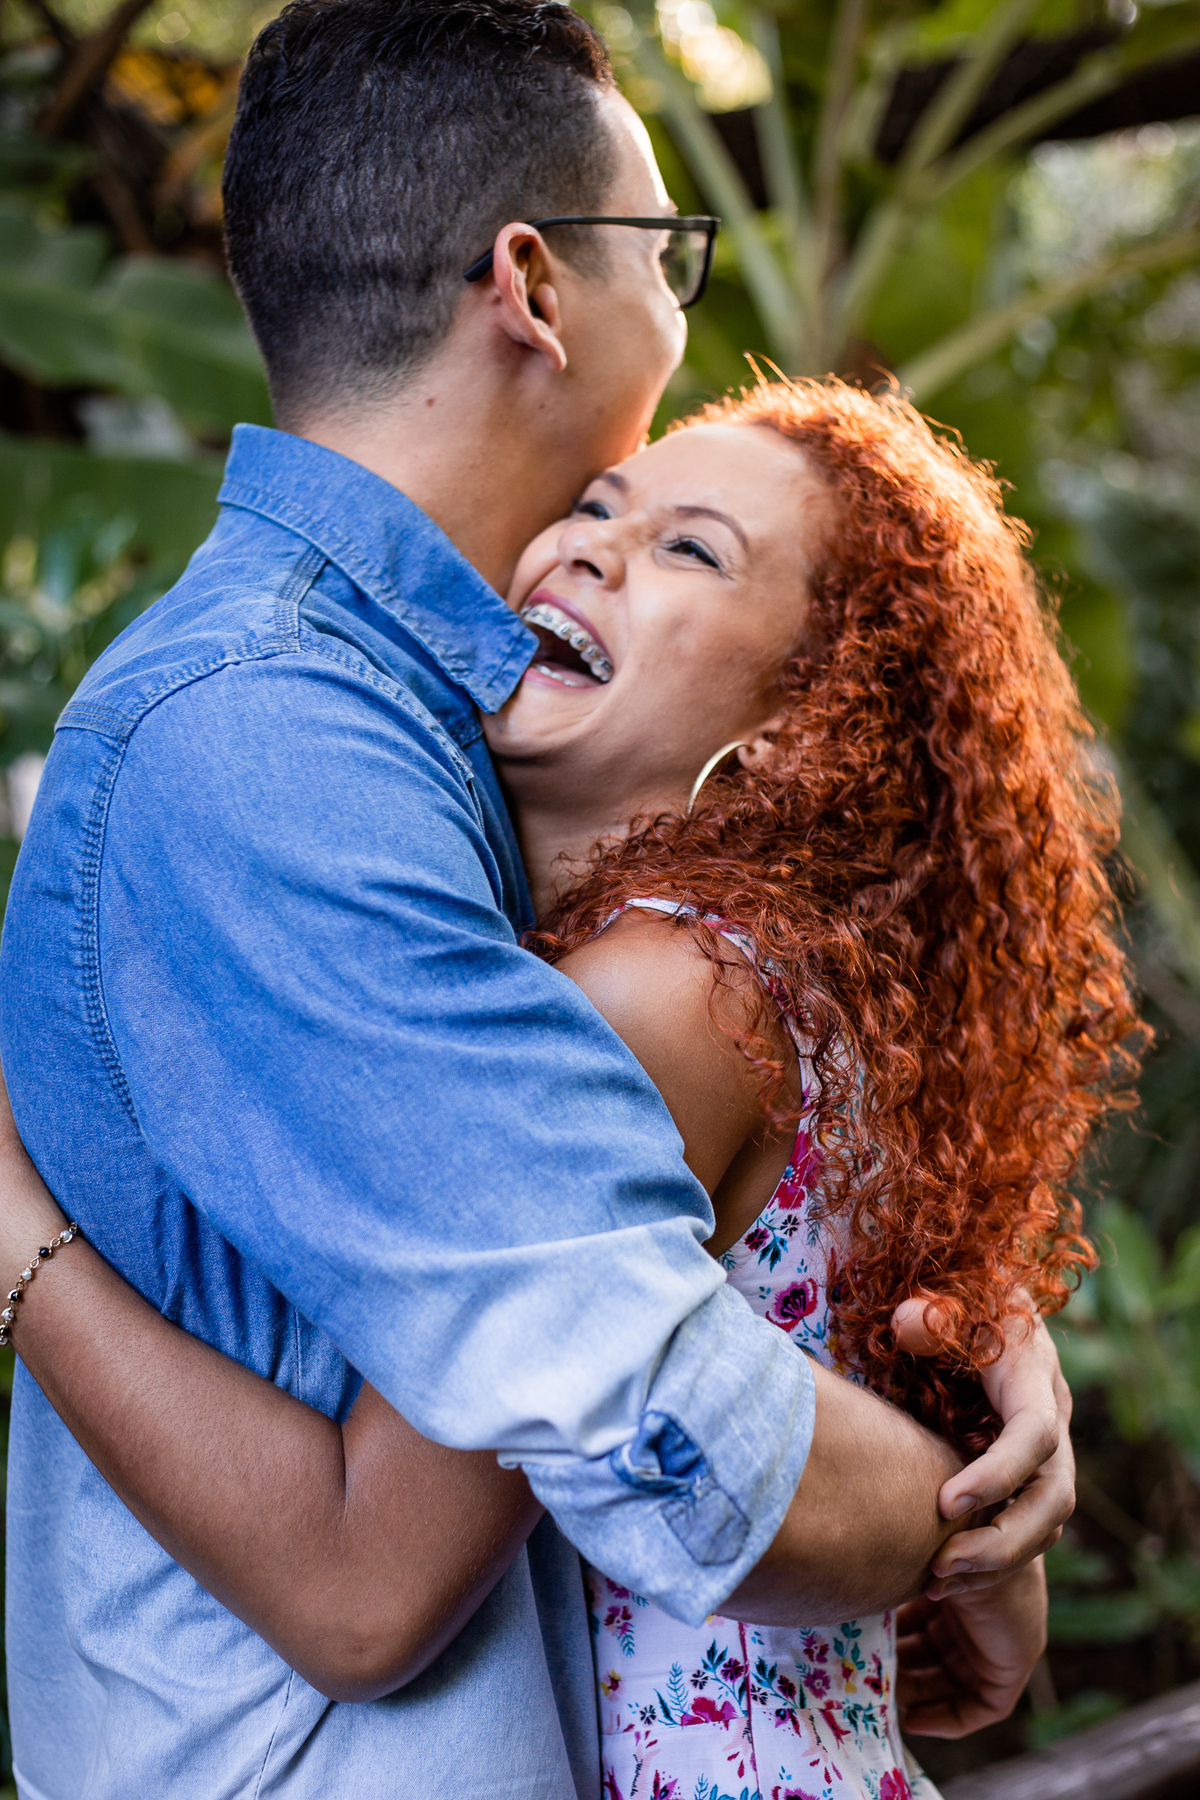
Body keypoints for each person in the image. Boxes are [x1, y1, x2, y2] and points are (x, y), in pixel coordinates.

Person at [0, 5, 1077, 1796]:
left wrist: (970, 1363)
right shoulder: (279, 753)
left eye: (681, 544)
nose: (685, 325)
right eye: (672, 259)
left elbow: (691, 1216)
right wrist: (962, 1517)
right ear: (535, 285)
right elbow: (645, 1414)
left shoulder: (464, 748)